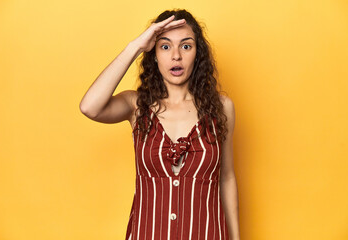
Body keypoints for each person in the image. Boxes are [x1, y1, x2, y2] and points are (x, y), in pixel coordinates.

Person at [79, 9, 240, 240]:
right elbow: (89, 107)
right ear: (153, 54)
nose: (176, 56)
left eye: (186, 46)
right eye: (165, 46)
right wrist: (135, 47)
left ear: (198, 54)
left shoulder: (221, 108)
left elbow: (227, 178)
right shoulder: (137, 105)